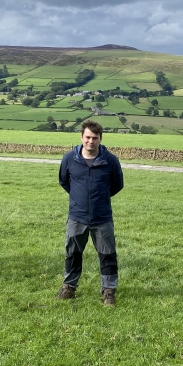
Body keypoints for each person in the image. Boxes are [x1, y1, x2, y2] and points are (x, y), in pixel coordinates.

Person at [57, 120, 124, 306]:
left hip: (102, 218)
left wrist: (99, 198)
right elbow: (64, 181)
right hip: (76, 217)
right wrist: (80, 198)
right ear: (81, 137)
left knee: (107, 254)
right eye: (87, 137)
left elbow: (117, 185)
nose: (91, 141)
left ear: (100, 139)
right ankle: (69, 287)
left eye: (95, 138)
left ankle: (108, 290)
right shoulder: (69, 158)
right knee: (72, 253)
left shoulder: (110, 160)